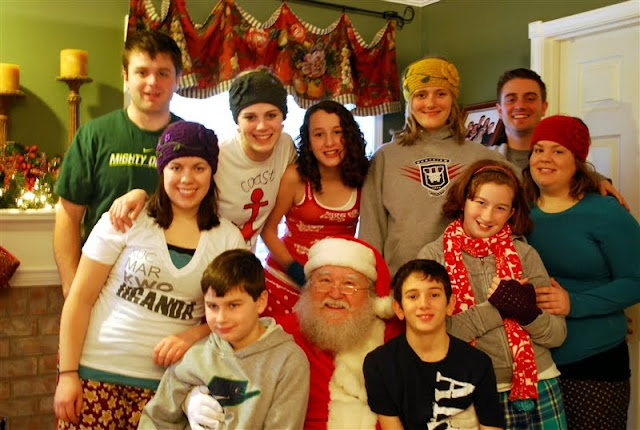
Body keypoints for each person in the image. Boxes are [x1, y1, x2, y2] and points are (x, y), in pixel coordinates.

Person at [53, 121, 245, 429]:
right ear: (162, 170)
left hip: (169, 388)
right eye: (176, 167)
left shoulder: (228, 239)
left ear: (212, 172)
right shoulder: (126, 220)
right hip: (95, 375)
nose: (187, 178)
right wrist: (68, 373)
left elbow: (238, 316)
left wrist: (191, 335)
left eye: (199, 167)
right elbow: (80, 298)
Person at [183, 236, 403, 430]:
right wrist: (191, 398)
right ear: (308, 288)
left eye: (349, 284)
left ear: (371, 295)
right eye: (324, 281)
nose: (335, 293)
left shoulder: (395, 338)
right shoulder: (280, 332)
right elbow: (219, 347)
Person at [417, 159, 567, 429]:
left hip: (539, 383)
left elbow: (557, 335)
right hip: (470, 390)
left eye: (500, 208)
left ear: (511, 213)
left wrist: (527, 312)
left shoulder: (525, 254)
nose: (488, 216)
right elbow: (435, 335)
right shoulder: (433, 256)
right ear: (464, 201)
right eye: (480, 202)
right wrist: (498, 308)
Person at [523, 115, 640, 430]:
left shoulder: (605, 211)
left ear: (577, 160)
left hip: (594, 362)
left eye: (558, 151)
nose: (545, 158)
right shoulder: (517, 211)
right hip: (532, 364)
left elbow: (636, 279)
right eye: (539, 150)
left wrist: (574, 303)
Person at [53, 29, 183, 297]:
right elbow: (68, 215)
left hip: (170, 287)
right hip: (100, 283)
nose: (152, 82)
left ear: (177, 80)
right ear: (126, 77)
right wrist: (72, 287)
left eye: (163, 73)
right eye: (142, 72)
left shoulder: (191, 140)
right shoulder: (93, 135)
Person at [109, 68, 297, 250]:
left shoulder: (285, 147)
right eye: (250, 117)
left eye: (271, 115)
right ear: (237, 122)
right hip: (202, 254)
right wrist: (140, 195)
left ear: (282, 118)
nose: (262, 126)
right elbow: (177, 187)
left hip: (242, 260)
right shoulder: (216, 154)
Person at [358, 57, 514, 276]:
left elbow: (515, 204)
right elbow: (371, 230)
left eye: (441, 94)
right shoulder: (385, 157)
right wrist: (372, 281)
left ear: (452, 99)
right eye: (421, 95)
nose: (431, 103)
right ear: (410, 101)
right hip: (401, 281)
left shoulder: (480, 156)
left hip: (464, 282)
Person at [138, 249, 310, 429]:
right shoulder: (193, 355)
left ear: (260, 302)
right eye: (212, 306)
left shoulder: (288, 361)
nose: (221, 318)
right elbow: (156, 420)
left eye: (233, 305)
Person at [364, 259, 504, 430]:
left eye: (434, 295)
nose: (424, 304)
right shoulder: (378, 364)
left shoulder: (478, 363)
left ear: (450, 304)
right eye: (413, 296)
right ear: (398, 308)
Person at [261, 100, 369, 316]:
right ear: (309, 142)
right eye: (319, 134)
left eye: (337, 132)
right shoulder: (295, 176)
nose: (329, 142)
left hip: (334, 291)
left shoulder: (364, 176)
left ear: (350, 135)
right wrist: (296, 271)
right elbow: (268, 230)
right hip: (284, 283)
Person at [493, 68, 628, 208]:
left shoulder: (586, 178)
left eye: (530, 99)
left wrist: (596, 180)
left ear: (544, 107)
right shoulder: (486, 159)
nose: (520, 105)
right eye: (511, 99)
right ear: (499, 110)